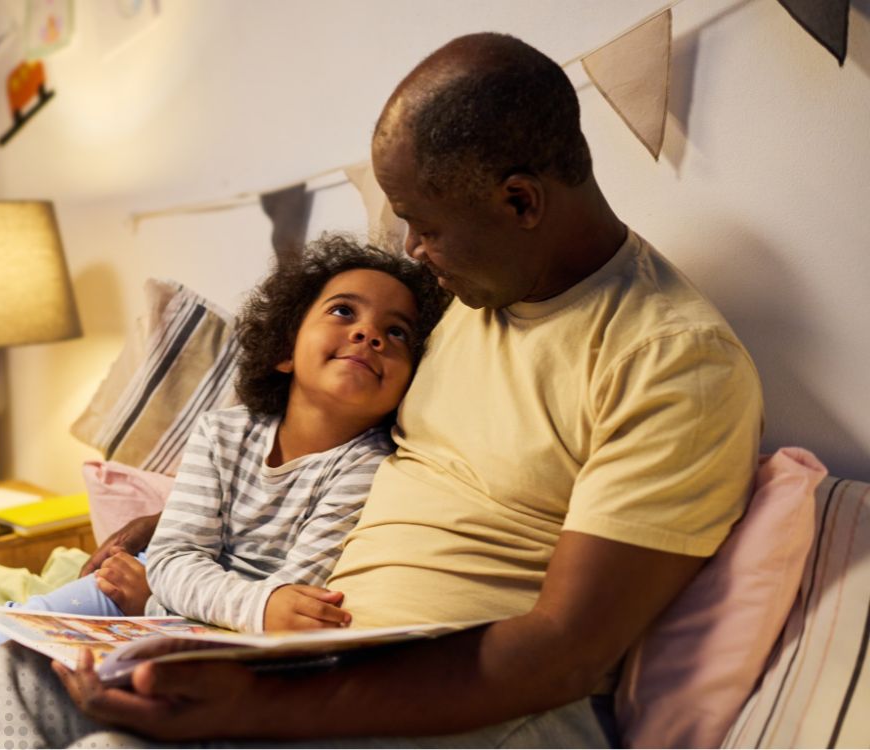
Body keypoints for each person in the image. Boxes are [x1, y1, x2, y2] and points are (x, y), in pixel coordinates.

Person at [44, 32, 763, 747]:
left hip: (485, 710)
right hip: (316, 663)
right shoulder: (470, 301)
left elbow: (564, 654)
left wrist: (254, 704)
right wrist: (173, 530)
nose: (413, 250)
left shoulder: (671, 360)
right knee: (31, 678)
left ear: (520, 201)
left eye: (427, 226)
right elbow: (330, 451)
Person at [0, 235, 450, 728]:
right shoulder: (221, 431)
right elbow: (184, 556)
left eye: (397, 332)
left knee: (60, 657)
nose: (370, 337)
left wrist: (184, 594)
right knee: (38, 619)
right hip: (164, 593)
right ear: (282, 352)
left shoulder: (367, 466)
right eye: (343, 313)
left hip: (206, 631)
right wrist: (196, 590)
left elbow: (293, 599)